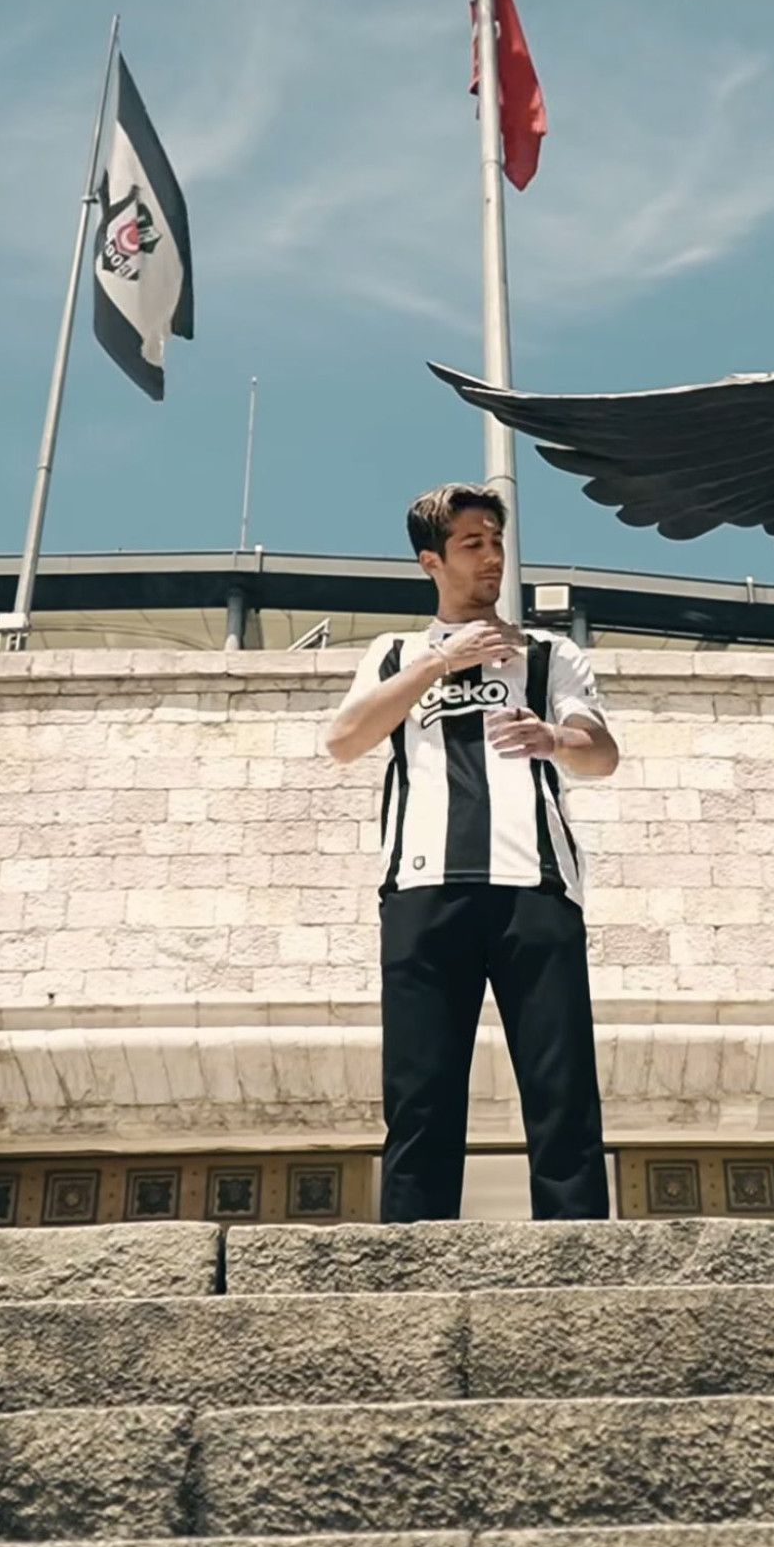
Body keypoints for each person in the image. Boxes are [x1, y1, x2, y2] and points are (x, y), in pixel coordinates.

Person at [325, 482, 618, 1223]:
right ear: (432, 561)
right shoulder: (393, 654)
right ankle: (410, 1267)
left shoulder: (550, 653)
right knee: (420, 1097)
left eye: (496, 541)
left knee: (562, 1094)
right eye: (472, 544)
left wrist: (555, 737)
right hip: (422, 892)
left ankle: (580, 1262)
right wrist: (437, 664)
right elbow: (344, 740)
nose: (492, 557)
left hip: (536, 888)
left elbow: (602, 753)